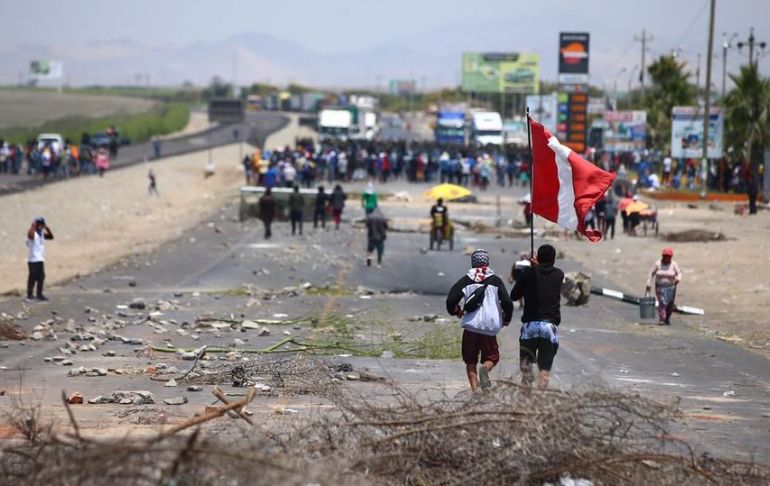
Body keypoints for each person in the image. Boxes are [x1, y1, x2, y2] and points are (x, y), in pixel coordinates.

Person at [445, 249, 513, 392]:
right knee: (492, 357)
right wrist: (507, 318)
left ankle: (475, 389)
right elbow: (507, 302)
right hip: (489, 327)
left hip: (470, 326)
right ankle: (485, 369)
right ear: (487, 262)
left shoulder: (465, 280)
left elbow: (451, 301)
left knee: (470, 360)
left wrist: (456, 311)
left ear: (473, 263)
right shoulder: (495, 280)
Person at [511, 244, 564, 388]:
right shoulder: (559, 274)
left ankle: (526, 401)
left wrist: (532, 269)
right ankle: (540, 402)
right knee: (544, 370)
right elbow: (546, 275)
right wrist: (536, 268)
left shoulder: (527, 274)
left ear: (538, 258)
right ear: (554, 259)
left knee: (526, 368)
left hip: (530, 327)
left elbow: (514, 295)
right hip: (549, 328)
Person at [646, 248, 682, 325]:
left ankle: (667, 318)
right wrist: (649, 283)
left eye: (669, 256)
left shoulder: (674, 264)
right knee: (662, 301)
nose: (667, 258)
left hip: (671, 287)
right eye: (665, 256)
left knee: (670, 304)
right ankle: (662, 318)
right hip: (660, 286)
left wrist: (678, 279)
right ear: (663, 256)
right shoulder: (657, 264)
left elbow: (679, 273)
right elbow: (651, 273)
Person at [26, 217, 54, 302]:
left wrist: (46, 228)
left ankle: (39, 294)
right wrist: (33, 226)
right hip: (33, 259)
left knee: (41, 277)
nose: (41, 226)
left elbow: (51, 237)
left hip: (40, 259)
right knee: (32, 277)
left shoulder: (41, 233)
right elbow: (30, 236)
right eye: (40, 224)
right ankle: (30, 295)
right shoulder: (32, 233)